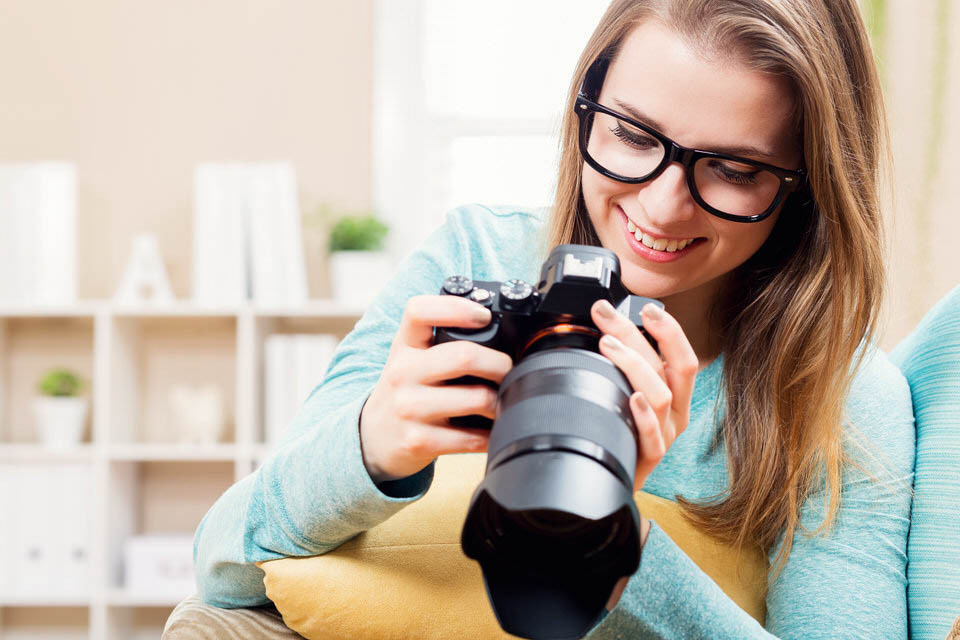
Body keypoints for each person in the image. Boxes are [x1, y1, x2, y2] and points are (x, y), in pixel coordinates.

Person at [187, 0, 914, 638]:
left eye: (733, 170)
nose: (661, 208)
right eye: (632, 135)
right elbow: (222, 564)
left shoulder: (840, 398)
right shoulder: (469, 260)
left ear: (808, 187)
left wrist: (611, 536)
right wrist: (372, 445)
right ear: (585, 108)